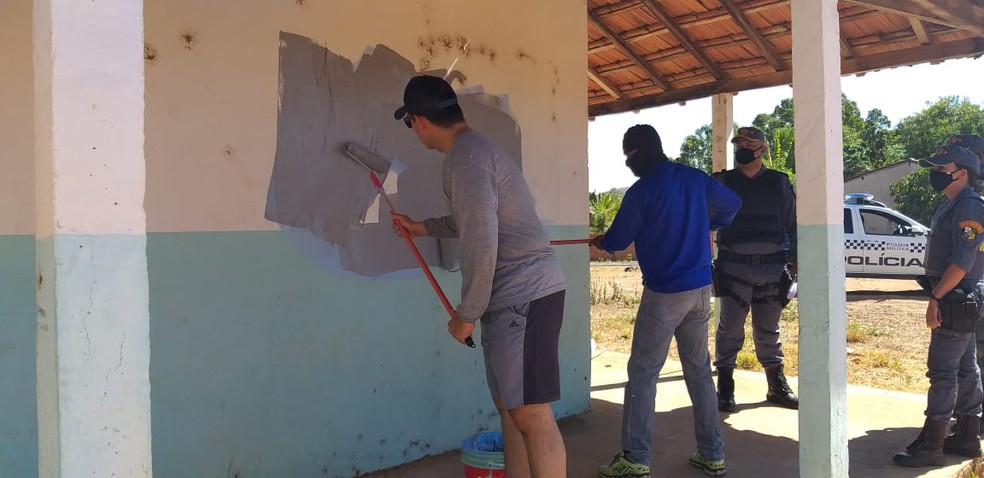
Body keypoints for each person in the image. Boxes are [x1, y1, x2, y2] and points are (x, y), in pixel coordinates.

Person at [390, 75, 568, 478]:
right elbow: (473, 219)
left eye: (410, 124)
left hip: (524, 296)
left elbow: (481, 240)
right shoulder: (471, 153)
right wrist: (422, 227)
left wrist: (467, 312)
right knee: (510, 409)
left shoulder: (466, 159)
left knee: (532, 415)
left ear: (419, 121)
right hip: (514, 297)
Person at [592, 124, 741, 478]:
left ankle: (636, 457)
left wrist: (601, 240)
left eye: (628, 157)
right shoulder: (693, 178)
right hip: (701, 290)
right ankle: (712, 454)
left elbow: (617, 240)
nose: (628, 164)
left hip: (664, 294)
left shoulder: (642, 191)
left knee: (643, 373)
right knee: (699, 371)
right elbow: (733, 203)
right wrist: (712, 224)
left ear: (638, 152)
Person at [893, 144, 984, 467]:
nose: (935, 172)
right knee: (964, 367)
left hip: (956, 295)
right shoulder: (956, 203)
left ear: (963, 173)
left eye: (942, 167)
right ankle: (967, 436)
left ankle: (932, 444)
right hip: (958, 294)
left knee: (943, 371)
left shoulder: (968, 205)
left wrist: (937, 298)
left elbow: (963, 260)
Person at [711, 126, 799, 412]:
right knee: (729, 329)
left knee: (769, 329)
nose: (742, 148)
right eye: (738, 143)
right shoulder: (722, 182)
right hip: (734, 268)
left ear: (763, 149)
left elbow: (793, 223)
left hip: (772, 268)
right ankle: (725, 387)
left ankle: (776, 386)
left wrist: (797, 260)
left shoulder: (779, 183)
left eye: (749, 143)